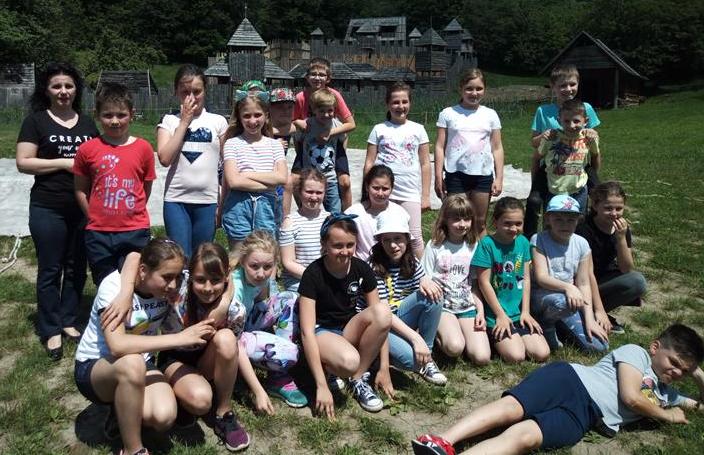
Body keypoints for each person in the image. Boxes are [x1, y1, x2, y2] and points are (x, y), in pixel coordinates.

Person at [412, 323, 704, 455]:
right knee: (512, 409)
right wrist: (667, 415)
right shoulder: (636, 354)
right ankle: (442, 441)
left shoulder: (667, 394)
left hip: (584, 416)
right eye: (674, 362)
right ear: (655, 347)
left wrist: (697, 373)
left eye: (684, 370)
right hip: (569, 381)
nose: (676, 372)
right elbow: (631, 397)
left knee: (525, 438)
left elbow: (697, 405)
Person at [73, 239, 215, 455]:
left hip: (141, 364)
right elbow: (117, 346)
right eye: (167, 277)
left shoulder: (169, 285)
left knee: (163, 417)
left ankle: (121, 410)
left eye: (177, 277)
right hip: (95, 368)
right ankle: (133, 449)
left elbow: (225, 275)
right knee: (132, 362)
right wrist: (180, 338)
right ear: (143, 271)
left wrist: (224, 302)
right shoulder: (115, 288)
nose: (174, 285)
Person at [16, 62, 99, 360]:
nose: (63, 91)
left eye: (68, 86)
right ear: (47, 90)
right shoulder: (36, 121)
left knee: (76, 266)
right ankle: (50, 328)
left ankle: (68, 319)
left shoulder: (87, 124)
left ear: (76, 90)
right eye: (57, 86)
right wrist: (65, 163)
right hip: (47, 205)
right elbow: (24, 162)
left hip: (83, 206)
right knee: (50, 268)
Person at [298, 213, 392, 418]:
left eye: (350, 245)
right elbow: (306, 332)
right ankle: (329, 370)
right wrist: (321, 385)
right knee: (350, 361)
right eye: (337, 246)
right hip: (322, 332)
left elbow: (382, 321)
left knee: (384, 312)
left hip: (348, 329)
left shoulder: (361, 268)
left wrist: (384, 367)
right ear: (324, 244)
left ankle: (357, 379)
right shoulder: (313, 274)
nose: (345, 251)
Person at [159, 242, 250, 451]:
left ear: (226, 277)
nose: (208, 288)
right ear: (189, 275)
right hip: (175, 357)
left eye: (215, 280)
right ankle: (178, 393)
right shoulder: (176, 289)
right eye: (200, 280)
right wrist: (124, 292)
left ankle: (224, 412)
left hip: (207, 361)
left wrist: (225, 302)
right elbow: (143, 261)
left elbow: (233, 350)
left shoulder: (236, 311)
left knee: (226, 338)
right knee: (200, 401)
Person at [74, 82, 155, 286]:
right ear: (97, 115)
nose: (115, 121)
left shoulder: (144, 148)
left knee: (135, 282)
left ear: (132, 114)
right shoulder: (87, 149)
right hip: (99, 232)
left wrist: (133, 211)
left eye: (121, 115)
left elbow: (145, 188)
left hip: (135, 230)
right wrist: (92, 216)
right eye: (108, 115)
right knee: (106, 284)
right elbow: (80, 189)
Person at [365, 211, 446, 387]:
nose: (393, 245)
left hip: (400, 318)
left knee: (433, 295)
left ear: (407, 239)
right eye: (386, 240)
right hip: (380, 325)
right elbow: (384, 314)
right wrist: (415, 338)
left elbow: (425, 284)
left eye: (398, 239)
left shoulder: (412, 261)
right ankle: (387, 357)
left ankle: (427, 356)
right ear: (380, 241)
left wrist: (425, 280)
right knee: (412, 361)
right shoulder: (373, 267)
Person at [228, 231, 307, 410]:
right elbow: (233, 341)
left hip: (246, 323)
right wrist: (258, 390)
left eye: (268, 266)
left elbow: (261, 302)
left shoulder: (259, 277)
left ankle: (278, 370)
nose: (261, 273)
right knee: (290, 353)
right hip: (232, 337)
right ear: (242, 261)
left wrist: (269, 334)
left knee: (290, 298)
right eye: (254, 266)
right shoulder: (235, 287)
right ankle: (276, 375)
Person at [156, 64, 228, 258]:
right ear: (176, 92)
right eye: (185, 92)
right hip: (176, 200)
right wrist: (184, 122)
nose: (191, 98)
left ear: (205, 91)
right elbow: (165, 158)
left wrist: (222, 203)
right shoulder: (169, 121)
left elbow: (228, 164)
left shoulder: (218, 121)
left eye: (197, 92)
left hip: (208, 200)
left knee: (201, 259)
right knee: (179, 257)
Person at [526, 64, 601, 238]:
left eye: (572, 84)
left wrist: (592, 133)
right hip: (551, 164)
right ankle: (530, 239)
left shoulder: (585, 107)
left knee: (600, 196)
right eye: (562, 85)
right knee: (534, 201)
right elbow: (534, 143)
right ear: (553, 87)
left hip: (580, 162)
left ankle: (593, 235)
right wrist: (544, 135)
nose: (568, 89)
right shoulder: (543, 111)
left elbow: (593, 139)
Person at [471, 197, 550, 363]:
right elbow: (484, 283)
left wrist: (526, 311)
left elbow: (525, 278)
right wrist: (500, 315)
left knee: (542, 353)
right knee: (516, 356)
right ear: (496, 222)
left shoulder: (523, 242)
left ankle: (516, 335)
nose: (513, 228)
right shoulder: (487, 244)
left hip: (518, 312)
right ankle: (494, 337)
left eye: (518, 224)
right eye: (507, 223)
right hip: (496, 313)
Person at [530, 195, 609, 352]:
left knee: (599, 347)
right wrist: (569, 287)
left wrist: (590, 319)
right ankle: (546, 323)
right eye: (558, 219)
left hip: (569, 300)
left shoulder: (582, 243)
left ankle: (560, 325)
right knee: (562, 302)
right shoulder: (539, 239)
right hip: (543, 296)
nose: (564, 224)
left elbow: (584, 283)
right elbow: (541, 277)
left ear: (578, 221)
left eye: (570, 220)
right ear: (548, 219)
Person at [434, 69, 505, 235]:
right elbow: (439, 146)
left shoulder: (490, 115)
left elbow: (497, 148)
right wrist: (438, 177)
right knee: (457, 219)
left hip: (482, 175)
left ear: (484, 89)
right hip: (456, 174)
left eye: (479, 89)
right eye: (469, 89)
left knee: (479, 222)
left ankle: (481, 252)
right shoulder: (448, 113)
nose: (474, 93)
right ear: (461, 89)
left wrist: (499, 178)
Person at [364, 82, 431, 258]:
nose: (400, 106)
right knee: (382, 234)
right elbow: (369, 162)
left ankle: (420, 271)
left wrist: (425, 196)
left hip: (410, 192)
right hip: (384, 192)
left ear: (410, 103)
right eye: (395, 102)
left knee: (414, 236)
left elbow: (425, 163)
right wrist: (367, 191)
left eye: (404, 102)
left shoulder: (418, 129)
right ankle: (380, 268)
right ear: (388, 104)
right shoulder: (379, 129)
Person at [421, 194, 489, 365]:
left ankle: (460, 335)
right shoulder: (435, 245)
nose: (462, 224)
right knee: (455, 347)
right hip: (443, 306)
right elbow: (424, 278)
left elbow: (475, 284)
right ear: (445, 219)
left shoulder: (474, 246)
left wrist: (480, 311)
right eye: (456, 219)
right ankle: (436, 336)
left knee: (481, 357)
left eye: (467, 219)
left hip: (467, 305)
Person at [576, 181, 647, 333]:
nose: (614, 213)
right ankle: (593, 312)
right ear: (595, 206)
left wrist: (621, 239)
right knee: (635, 282)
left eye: (619, 208)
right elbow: (586, 274)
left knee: (637, 282)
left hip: (604, 278)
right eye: (608, 208)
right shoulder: (584, 229)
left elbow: (626, 268)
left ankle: (595, 312)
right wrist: (599, 309)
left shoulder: (621, 228)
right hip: (582, 281)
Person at [221, 91, 288, 247]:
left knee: (264, 252)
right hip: (239, 206)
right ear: (239, 118)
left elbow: (282, 178)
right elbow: (233, 182)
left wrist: (246, 174)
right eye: (246, 116)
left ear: (266, 116)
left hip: (266, 206)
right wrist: (269, 184)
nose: (252, 121)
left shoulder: (274, 145)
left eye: (257, 115)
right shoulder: (232, 143)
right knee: (238, 254)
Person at [292, 57, 356, 209]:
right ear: (307, 77)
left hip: (333, 144)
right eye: (313, 74)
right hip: (308, 144)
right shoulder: (301, 97)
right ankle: (304, 210)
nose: (317, 78)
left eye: (321, 75)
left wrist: (330, 133)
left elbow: (351, 124)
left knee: (344, 182)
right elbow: (292, 119)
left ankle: (346, 215)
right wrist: (299, 123)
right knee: (294, 181)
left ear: (328, 78)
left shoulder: (333, 95)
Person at [536, 98, 601, 214]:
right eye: (566, 121)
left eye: (576, 121)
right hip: (554, 190)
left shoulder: (589, 138)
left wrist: (593, 177)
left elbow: (595, 156)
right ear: (559, 120)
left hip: (579, 190)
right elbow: (537, 157)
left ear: (585, 121)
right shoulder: (551, 138)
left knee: (579, 220)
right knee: (552, 221)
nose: (571, 125)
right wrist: (535, 181)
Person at [294, 88, 346, 213]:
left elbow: (344, 139)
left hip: (330, 177)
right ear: (314, 110)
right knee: (308, 209)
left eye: (330, 111)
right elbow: (297, 140)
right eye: (322, 111)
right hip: (309, 178)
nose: (326, 114)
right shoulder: (307, 125)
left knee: (334, 211)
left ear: (334, 110)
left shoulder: (337, 125)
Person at [345, 164, 409, 261]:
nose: (380, 193)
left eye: (385, 189)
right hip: (362, 265)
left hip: (392, 265)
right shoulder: (353, 214)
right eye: (375, 188)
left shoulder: (400, 213)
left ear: (392, 188)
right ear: (367, 187)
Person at [280, 168, 330, 291]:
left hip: (328, 279)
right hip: (299, 283)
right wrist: (315, 277)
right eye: (309, 192)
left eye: (319, 192)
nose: (314, 197)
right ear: (299, 191)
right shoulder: (290, 222)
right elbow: (288, 262)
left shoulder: (330, 219)